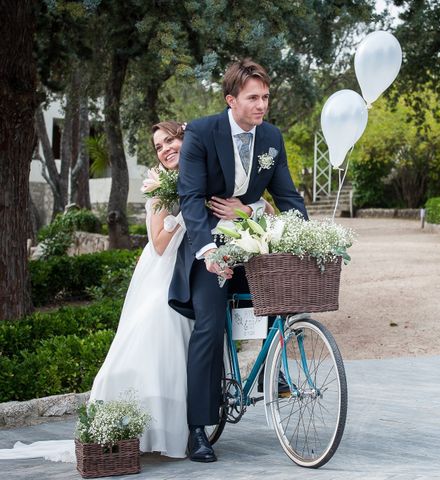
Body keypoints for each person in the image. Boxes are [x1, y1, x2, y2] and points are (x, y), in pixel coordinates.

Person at [0, 121, 272, 462]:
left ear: (188, 139)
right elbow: (159, 243)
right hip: (168, 268)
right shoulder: (161, 187)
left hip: (210, 261)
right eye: (160, 146)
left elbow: (255, 203)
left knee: (214, 325)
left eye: (172, 139)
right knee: (162, 334)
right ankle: (156, 426)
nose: (167, 148)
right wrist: (189, 214)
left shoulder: (209, 169)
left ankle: (242, 391)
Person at [168, 59, 308, 463]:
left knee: (281, 300)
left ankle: (272, 369)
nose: (261, 105)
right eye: (252, 98)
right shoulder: (201, 132)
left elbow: (287, 197)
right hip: (209, 247)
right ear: (231, 100)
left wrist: (307, 237)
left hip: (251, 241)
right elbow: (191, 199)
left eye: (265, 97)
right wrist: (208, 251)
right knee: (209, 328)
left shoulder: (272, 137)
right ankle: (198, 428)